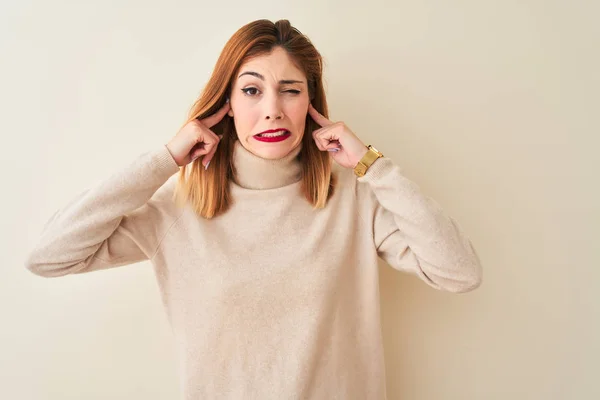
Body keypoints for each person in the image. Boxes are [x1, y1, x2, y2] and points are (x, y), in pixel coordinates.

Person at [25, 18, 482, 400]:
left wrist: (372, 166)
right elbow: (49, 255)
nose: (272, 110)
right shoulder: (180, 209)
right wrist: (164, 160)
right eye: (251, 90)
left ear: (311, 104)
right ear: (225, 105)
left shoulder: (355, 200)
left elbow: (459, 272)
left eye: (290, 90)